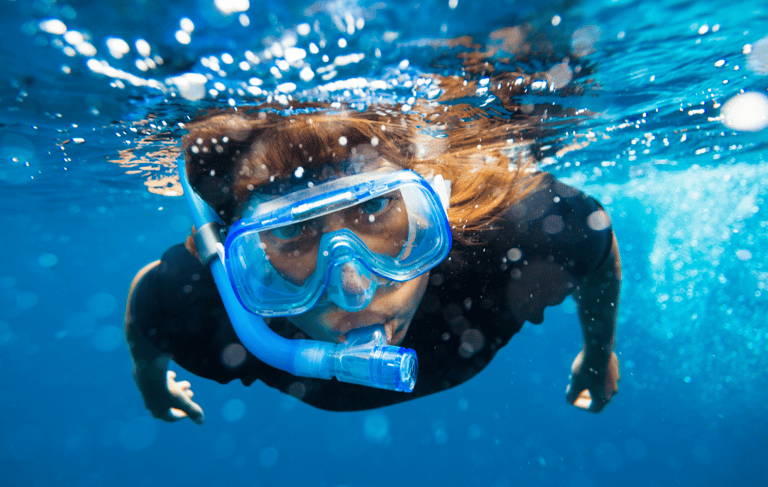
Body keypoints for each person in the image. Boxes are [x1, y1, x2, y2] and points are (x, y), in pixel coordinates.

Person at [125, 101, 621, 423]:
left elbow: (598, 248)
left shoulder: (519, 233)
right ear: (229, 258)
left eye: (377, 207)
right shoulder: (207, 308)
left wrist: (598, 354)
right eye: (291, 232)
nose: (353, 287)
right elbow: (147, 307)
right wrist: (151, 384)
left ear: (435, 207)